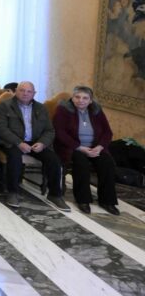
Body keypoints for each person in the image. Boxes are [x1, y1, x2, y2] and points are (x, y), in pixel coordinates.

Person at [0, 81, 69, 211]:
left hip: (35, 142)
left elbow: (49, 130)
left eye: (29, 91)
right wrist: (19, 143)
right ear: (16, 91)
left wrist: (42, 143)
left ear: (34, 93)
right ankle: (12, 192)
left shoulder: (41, 108)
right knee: (14, 158)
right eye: (22, 90)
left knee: (54, 159)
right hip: (12, 142)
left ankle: (54, 195)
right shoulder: (5, 105)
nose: (25, 93)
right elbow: (1, 128)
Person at [53, 86, 119, 215]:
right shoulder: (64, 110)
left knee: (107, 163)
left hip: (95, 147)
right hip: (72, 147)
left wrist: (100, 147)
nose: (80, 100)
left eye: (85, 98)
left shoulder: (96, 110)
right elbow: (59, 132)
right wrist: (80, 147)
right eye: (77, 97)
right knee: (81, 163)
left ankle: (107, 201)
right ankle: (83, 200)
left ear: (90, 100)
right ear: (72, 98)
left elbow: (107, 132)